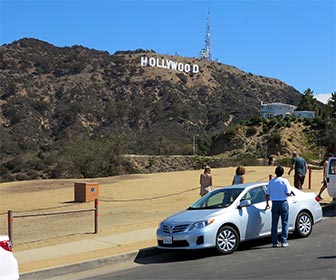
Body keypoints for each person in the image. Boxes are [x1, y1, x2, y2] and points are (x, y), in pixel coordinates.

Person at [265, 165, 292, 248]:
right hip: (283, 202)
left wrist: (267, 203)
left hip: (274, 203)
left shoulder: (271, 182)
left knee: (274, 223)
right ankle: (283, 241)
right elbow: (288, 192)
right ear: (282, 172)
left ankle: (274, 242)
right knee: (285, 222)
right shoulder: (284, 181)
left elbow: (267, 194)